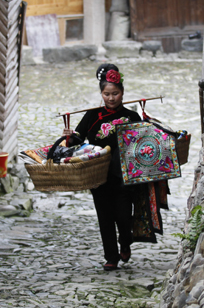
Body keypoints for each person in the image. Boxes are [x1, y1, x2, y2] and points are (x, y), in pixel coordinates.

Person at [62, 64, 169, 271]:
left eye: (115, 93)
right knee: (104, 218)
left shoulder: (131, 117)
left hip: (124, 177)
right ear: (101, 94)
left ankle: (125, 242)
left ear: (122, 93)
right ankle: (111, 256)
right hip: (98, 176)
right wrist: (69, 135)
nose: (111, 98)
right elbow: (77, 139)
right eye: (107, 94)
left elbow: (145, 144)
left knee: (122, 216)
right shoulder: (92, 116)